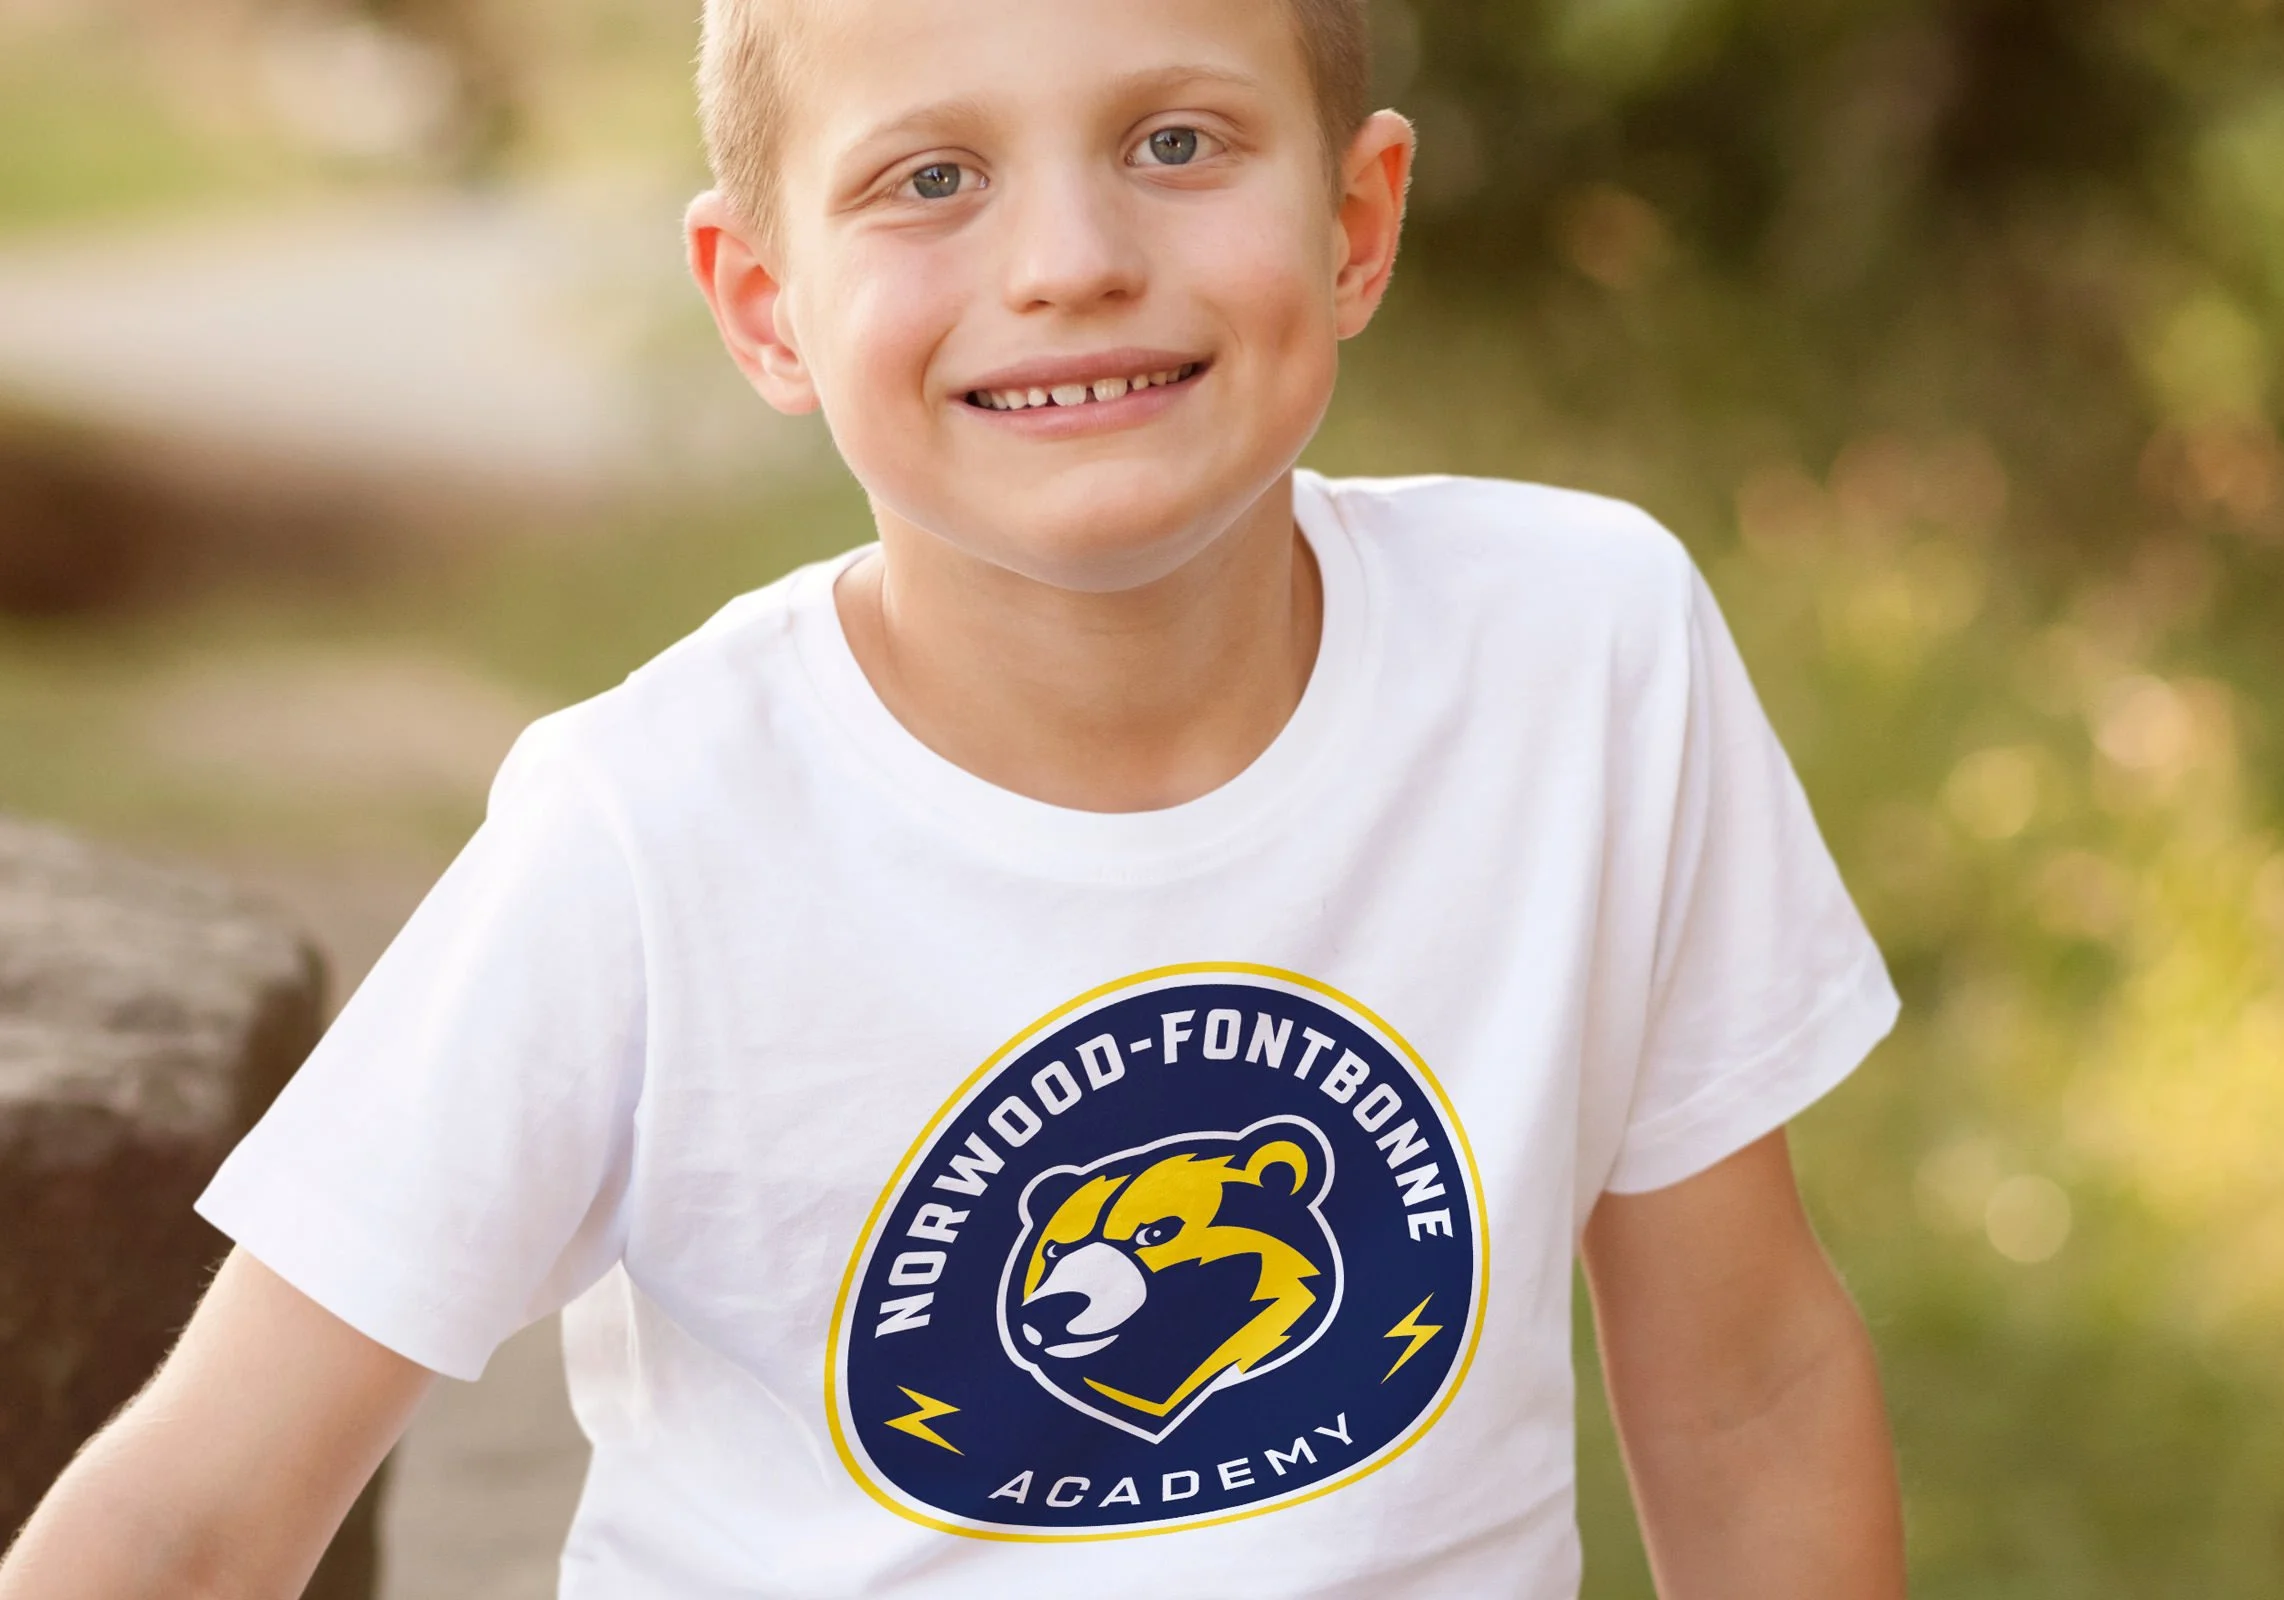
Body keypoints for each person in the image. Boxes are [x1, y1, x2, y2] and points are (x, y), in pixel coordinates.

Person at [0, 0, 1909, 1594]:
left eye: (1177, 142)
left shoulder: (1585, 655)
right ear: (763, 304)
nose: (1070, 259)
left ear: (1357, 217)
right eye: (932, 179)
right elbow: (194, 1519)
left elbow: (1742, 1379)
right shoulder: (646, 828)